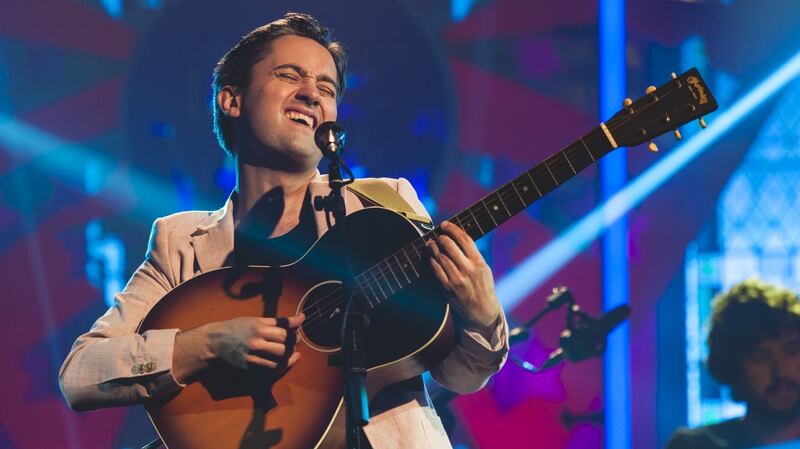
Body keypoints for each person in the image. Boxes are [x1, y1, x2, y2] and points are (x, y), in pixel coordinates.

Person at [59, 12, 508, 449]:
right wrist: (210, 344)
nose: (312, 94)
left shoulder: (385, 205)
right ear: (231, 100)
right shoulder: (180, 243)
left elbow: (462, 374)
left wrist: (481, 308)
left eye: (327, 88)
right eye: (290, 76)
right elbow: (81, 374)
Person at [665, 278, 800, 449]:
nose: (781, 371)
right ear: (732, 366)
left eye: (791, 351)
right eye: (760, 357)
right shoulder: (694, 446)